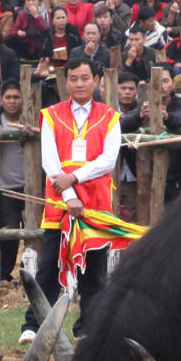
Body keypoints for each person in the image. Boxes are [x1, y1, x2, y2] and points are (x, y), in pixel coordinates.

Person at [36, 56, 124, 331]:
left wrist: (74, 177)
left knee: (94, 269)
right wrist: (69, 195)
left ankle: (89, 327)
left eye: (85, 78)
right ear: (65, 82)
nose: (79, 84)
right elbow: (50, 163)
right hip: (59, 201)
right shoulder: (51, 115)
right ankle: (35, 325)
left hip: (95, 203)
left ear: (96, 81)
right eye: (73, 79)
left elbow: (109, 160)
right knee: (49, 263)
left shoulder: (110, 116)